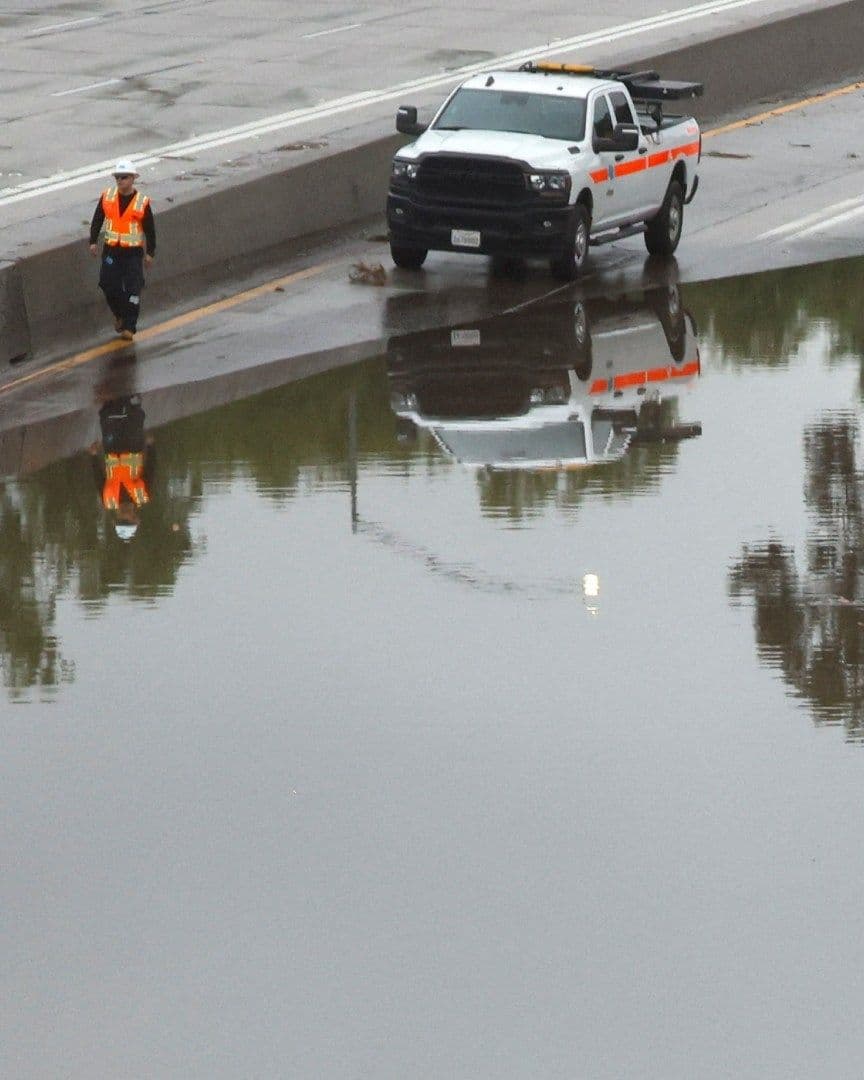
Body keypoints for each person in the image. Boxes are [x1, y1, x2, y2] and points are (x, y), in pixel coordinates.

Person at [88, 160, 155, 341]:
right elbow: (97, 219)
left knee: (133, 290)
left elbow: (150, 229)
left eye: (124, 177)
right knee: (107, 284)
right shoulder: (108, 197)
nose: (120, 181)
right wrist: (93, 241)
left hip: (132, 254)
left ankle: (129, 327)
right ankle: (119, 314)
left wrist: (150, 253)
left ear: (133, 179)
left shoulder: (141, 202)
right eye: (118, 177)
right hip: (111, 252)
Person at [90, 395, 155, 542]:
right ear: (135, 518)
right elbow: (151, 469)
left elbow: (98, 478)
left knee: (108, 416)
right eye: (128, 520)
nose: (125, 516)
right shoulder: (142, 495)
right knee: (133, 416)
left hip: (112, 449)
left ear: (117, 518)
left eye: (122, 520)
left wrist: (94, 456)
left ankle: (110, 397)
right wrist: (150, 447)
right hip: (133, 447)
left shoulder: (108, 500)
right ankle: (130, 398)